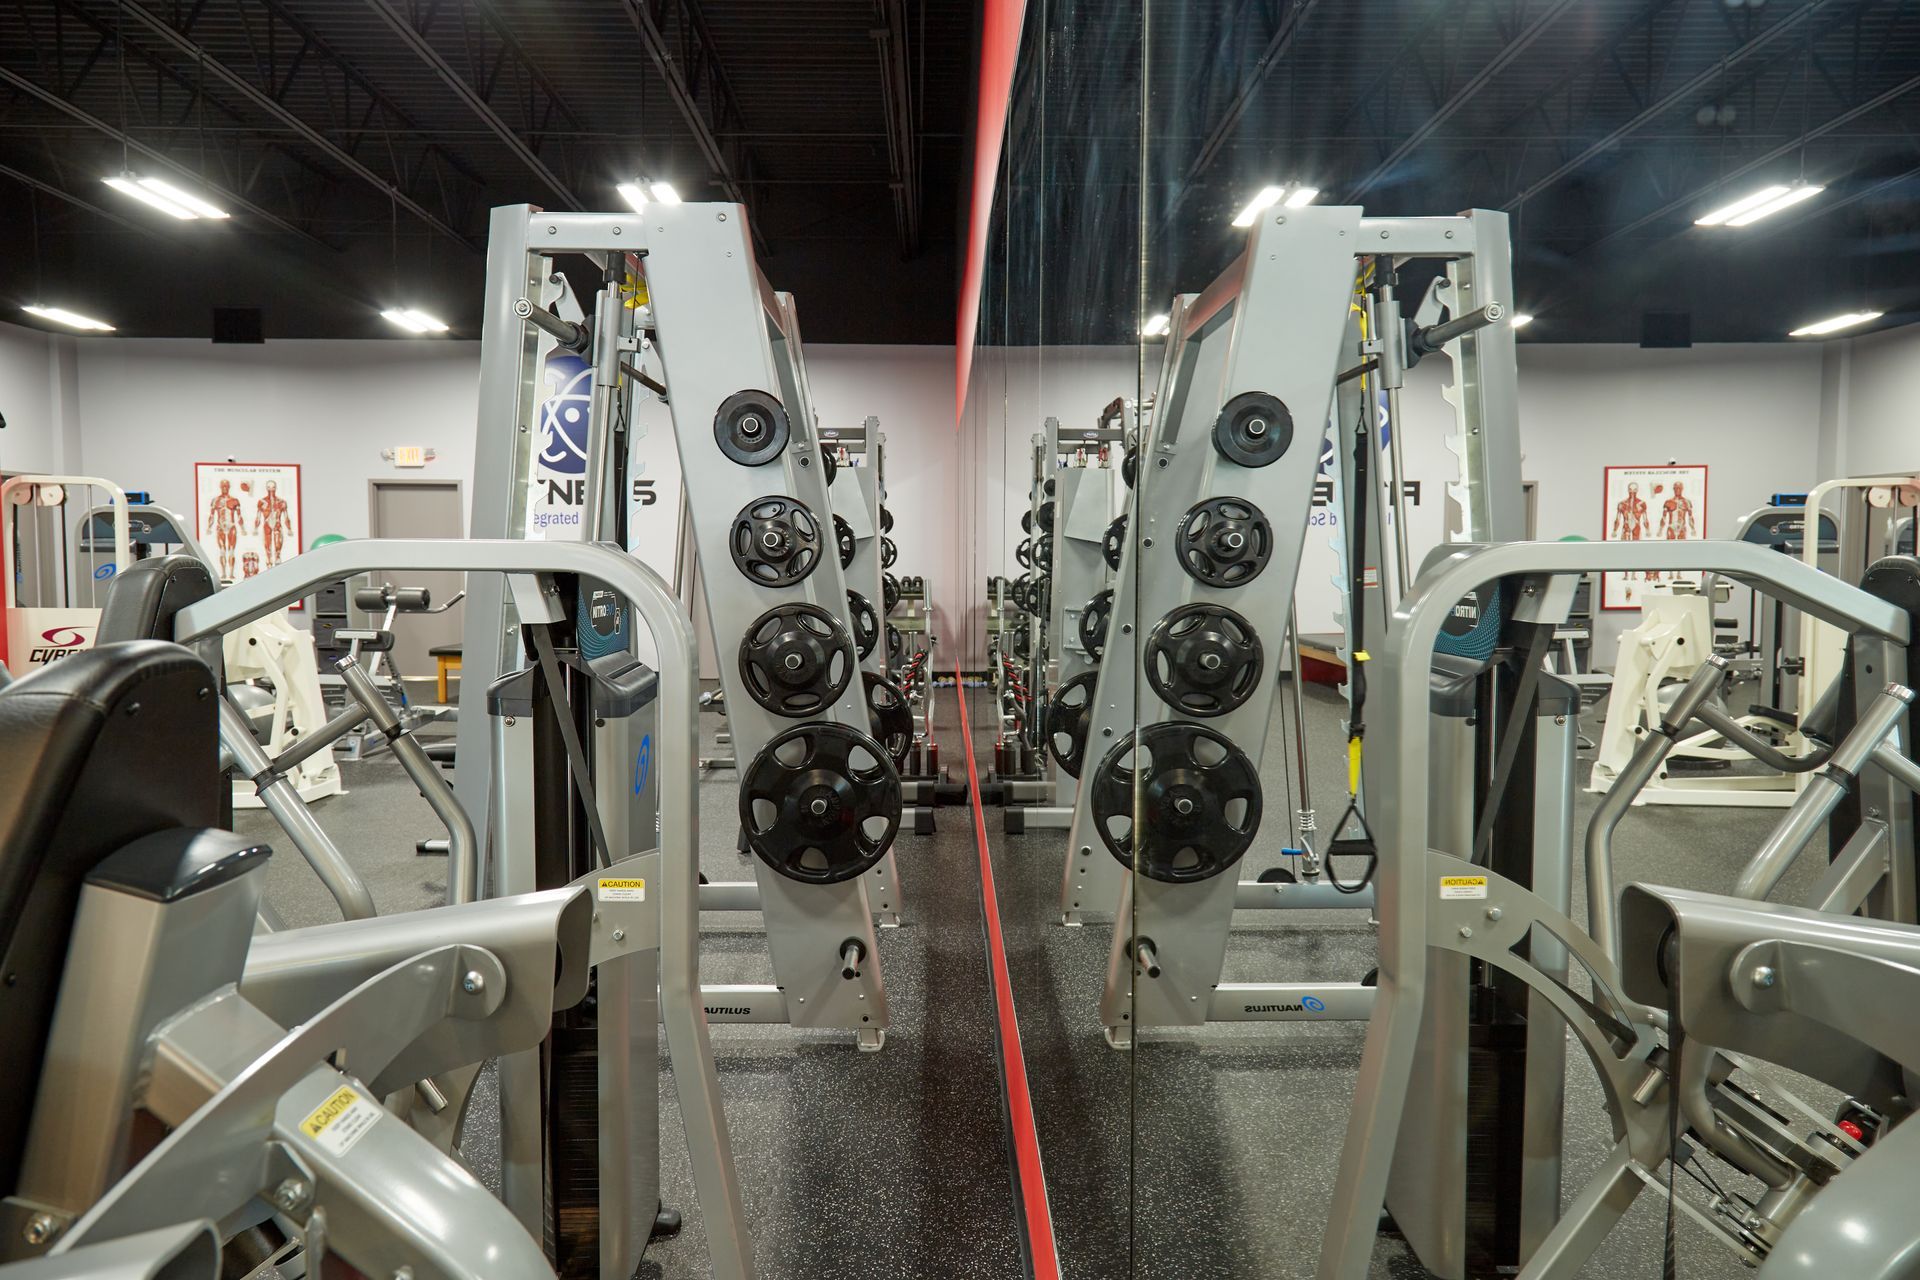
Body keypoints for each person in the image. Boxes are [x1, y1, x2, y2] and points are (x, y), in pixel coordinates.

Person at [204, 479, 243, 580]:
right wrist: (209, 527)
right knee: (222, 550)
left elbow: (239, 516)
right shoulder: (215, 500)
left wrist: (242, 528)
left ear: (229, 487)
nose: (225, 488)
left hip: (231, 526)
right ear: (220, 487)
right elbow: (212, 515)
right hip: (220, 527)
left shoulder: (234, 500)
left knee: (231, 551)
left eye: (226, 486)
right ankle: (224, 573)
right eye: (223, 486)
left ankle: (231, 574)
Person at [256, 479, 291, 568]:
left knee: (277, 545)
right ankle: (269, 562)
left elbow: (286, 517)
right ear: (266, 488)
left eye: (273, 487)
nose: (271, 489)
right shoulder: (262, 502)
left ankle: (277, 560)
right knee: (267, 546)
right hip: (267, 524)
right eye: (269, 487)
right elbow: (258, 516)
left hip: (277, 524)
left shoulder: (281, 502)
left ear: (276, 488)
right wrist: (255, 528)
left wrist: (289, 529)